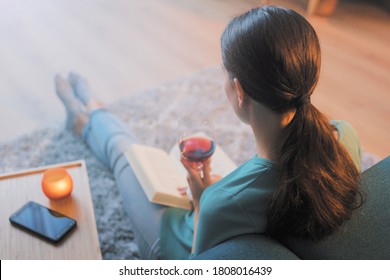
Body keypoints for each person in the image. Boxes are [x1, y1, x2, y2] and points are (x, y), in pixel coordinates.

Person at [54, 5, 363, 260]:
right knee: (132, 156)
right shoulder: (344, 136)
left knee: (126, 155)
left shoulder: (223, 202)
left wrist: (203, 200)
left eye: (224, 73)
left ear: (239, 90)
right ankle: (91, 114)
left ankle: (90, 115)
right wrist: (214, 196)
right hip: (217, 212)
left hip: (172, 244)